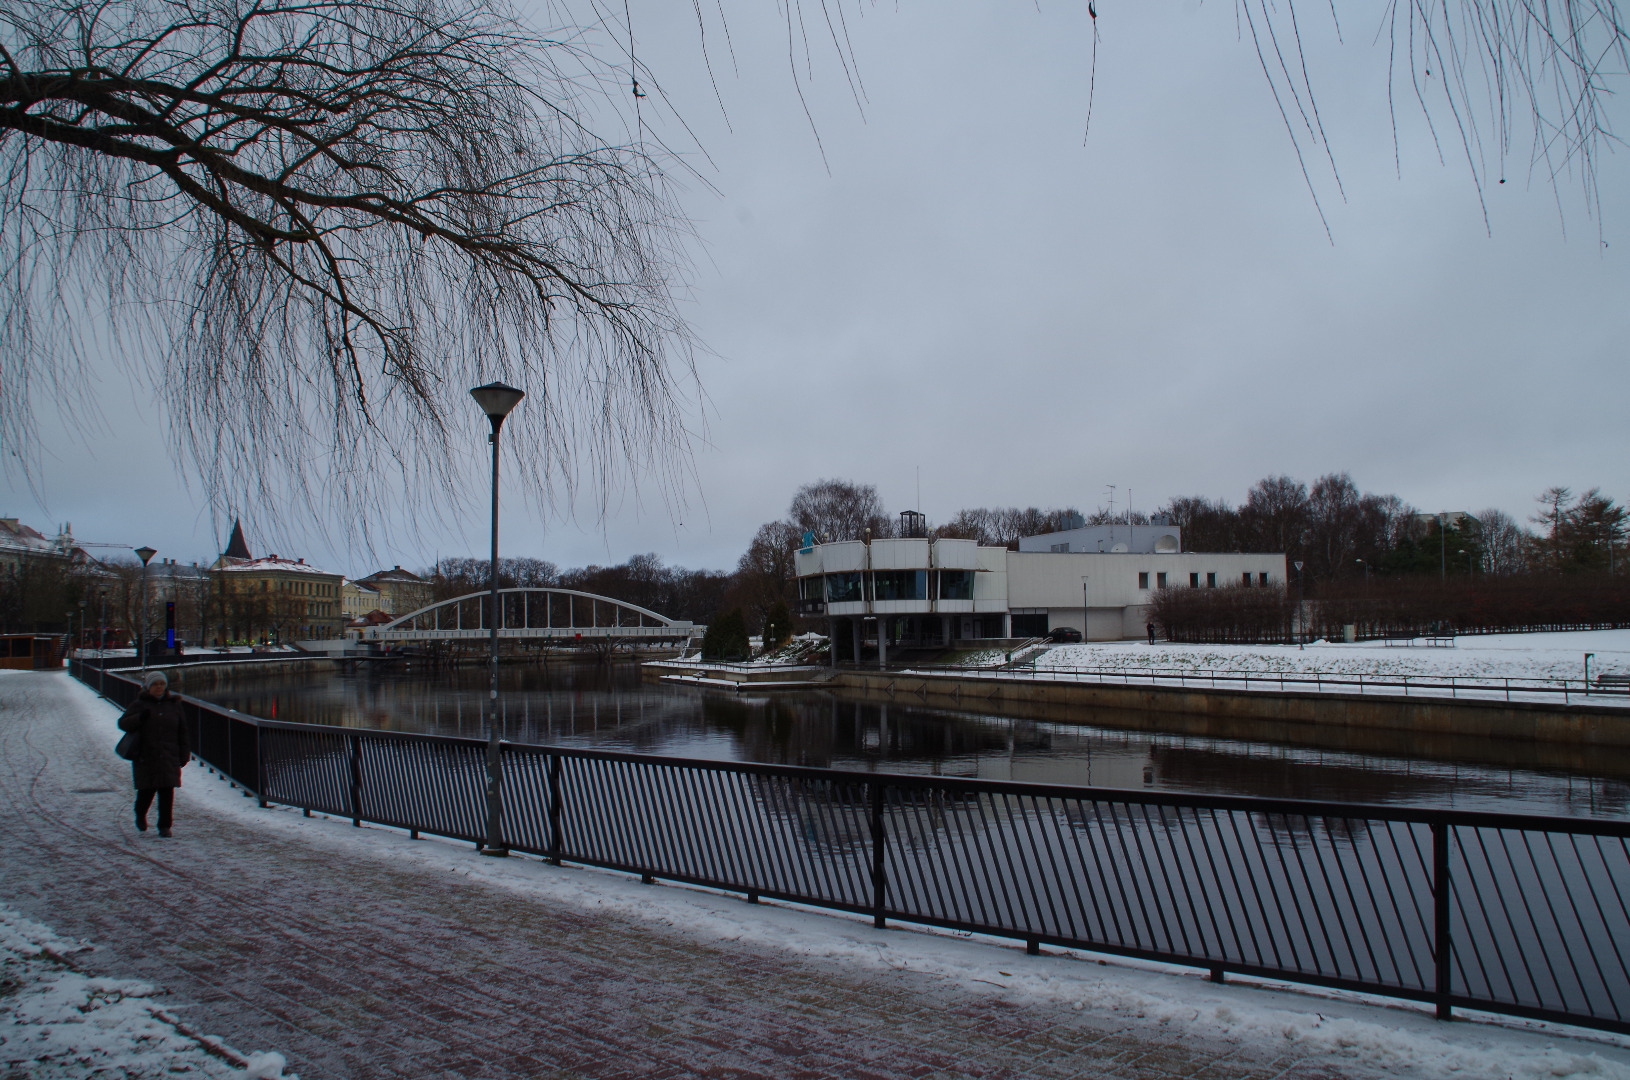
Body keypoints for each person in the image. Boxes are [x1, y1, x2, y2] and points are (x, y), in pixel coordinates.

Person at [117, 671, 191, 837]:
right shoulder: (139, 705)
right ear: (148, 687)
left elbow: (183, 731)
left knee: (167, 791)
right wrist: (139, 718)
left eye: (162, 684)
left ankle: (165, 826)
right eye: (155, 684)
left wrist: (184, 752)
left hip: (168, 755)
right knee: (146, 790)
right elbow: (122, 723)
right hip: (146, 755)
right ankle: (140, 814)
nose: (159, 688)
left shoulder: (174, 705)